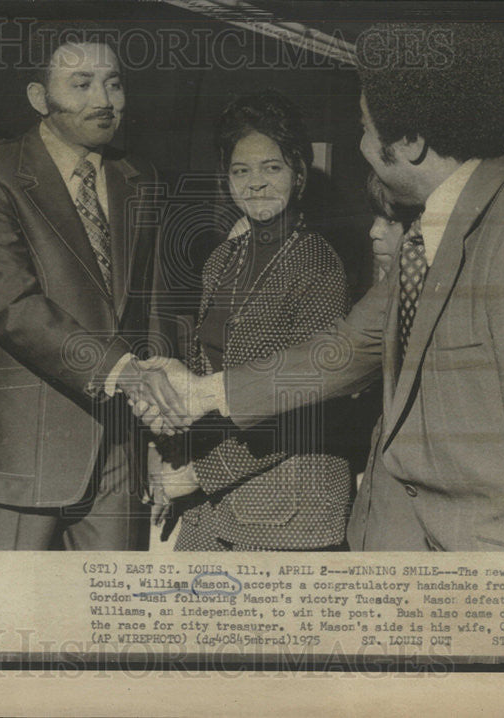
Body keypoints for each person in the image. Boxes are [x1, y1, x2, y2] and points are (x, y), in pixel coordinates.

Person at [138, 23, 504, 552]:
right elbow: (345, 349)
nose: (360, 144)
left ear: (411, 142)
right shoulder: (430, 232)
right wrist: (202, 393)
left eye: (363, 127)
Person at [0, 25, 173, 550]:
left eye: (114, 84)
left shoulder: (139, 177)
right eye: (82, 84)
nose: (103, 101)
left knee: (106, 621)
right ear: (38, 97)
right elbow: (11, 304)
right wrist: (121, 371)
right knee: (4, 619)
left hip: (120, 450)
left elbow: (154, 310)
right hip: (21, 446)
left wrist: (162, 431)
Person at [148, 91, 353, 551]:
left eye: (271, 167)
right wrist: (171, 453)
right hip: (215, 501)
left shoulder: (318, 264)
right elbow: (203, 381)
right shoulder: (222, 259)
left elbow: (307, 402)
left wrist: (199, 473)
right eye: (241, 170)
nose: (255, 183)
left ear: (299, 173)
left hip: (290, 504)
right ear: (227, 180)